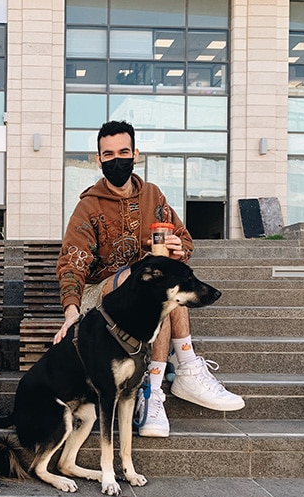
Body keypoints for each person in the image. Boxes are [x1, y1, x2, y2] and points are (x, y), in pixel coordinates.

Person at [55, 120, 244, 438]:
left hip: (142, 293)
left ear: (135, 154)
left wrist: (177, 248)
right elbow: (73, 262)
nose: (117, 160)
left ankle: (161, 384)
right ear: (99, 159)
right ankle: (169, 376)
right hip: (100, 294)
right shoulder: (88, 206)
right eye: (109, 154)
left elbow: (185, 241)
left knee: (164, 278)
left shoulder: (153, 196)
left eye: (123, 152)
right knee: (151, 282)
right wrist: (71, 310)